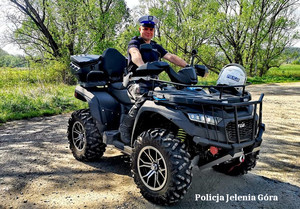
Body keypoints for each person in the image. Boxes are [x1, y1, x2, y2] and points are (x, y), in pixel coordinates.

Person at [119, 15, 189, 144]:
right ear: (140, 29)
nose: (148, 32)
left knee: (173, 98)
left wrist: (188, 66)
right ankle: (125, 127)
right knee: (144, 98)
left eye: (151, 30)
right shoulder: (135, 43)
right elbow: (135, 54)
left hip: (154, 83)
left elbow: (171, 57)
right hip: (136, 82)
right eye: (145, 28)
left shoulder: (156, 46)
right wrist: (143, 67)